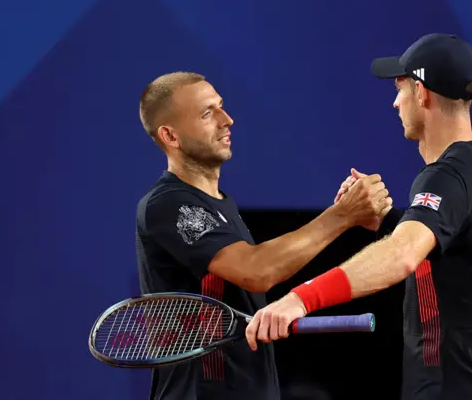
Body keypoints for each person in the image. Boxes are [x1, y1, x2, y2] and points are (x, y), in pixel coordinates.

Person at [245, 33, 472, 400]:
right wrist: (385, 220)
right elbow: (454, 252)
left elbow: (403, 254)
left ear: (422, 93)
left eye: (401, 89)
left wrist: (298, 299)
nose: (395, 103)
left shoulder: (446, 174)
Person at [135, 71, 392, 400]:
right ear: (170, 136)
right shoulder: (168, 204)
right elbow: (257, 271)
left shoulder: (219, 205)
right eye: (207, 113)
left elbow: (268, 266)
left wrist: (345, 215)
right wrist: (342, 215)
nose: (227, 120)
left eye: (221, 107)